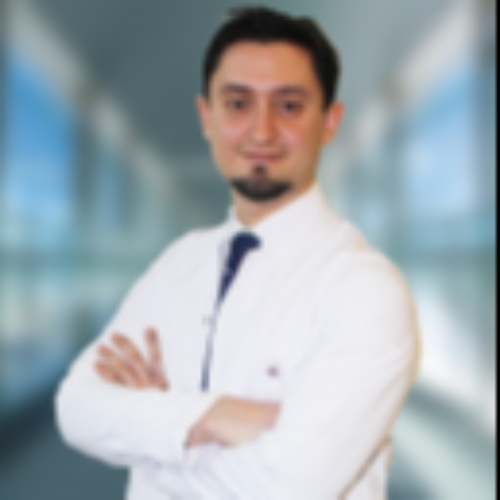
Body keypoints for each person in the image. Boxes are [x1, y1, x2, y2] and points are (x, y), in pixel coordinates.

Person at [55, 7, 420, 500]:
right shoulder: (177, 264)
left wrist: (155, 445)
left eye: (289, 106)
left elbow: (288, 487)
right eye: (237, 103)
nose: (261, 131)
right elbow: (76, 407)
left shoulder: (364, 288)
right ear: (206, 117)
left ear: (330, 121)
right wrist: (224, 416)